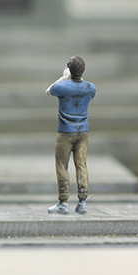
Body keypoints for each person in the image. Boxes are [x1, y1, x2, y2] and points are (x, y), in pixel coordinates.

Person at [46, 55, 96, 215]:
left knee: (62, 165)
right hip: (83, 133)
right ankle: (82, 202)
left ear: (68, 68)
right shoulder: (91, 88)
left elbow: (49, 91)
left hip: (65, 133)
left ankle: (63, 201)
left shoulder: (62, 87)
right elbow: (85, 89)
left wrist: (63, 77)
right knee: (81, 164)